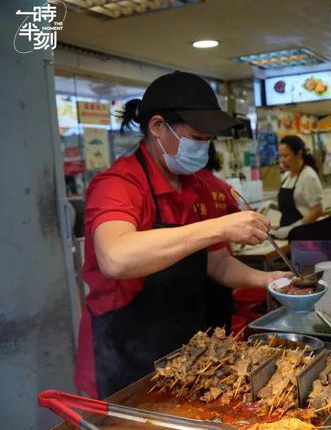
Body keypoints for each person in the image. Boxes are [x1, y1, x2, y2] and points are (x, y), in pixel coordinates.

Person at [74, 71, 289, 399]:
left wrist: (271, 281)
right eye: (197, 137)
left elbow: (217, 265)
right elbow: (115, 258)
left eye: (208, 139)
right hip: (122, 356)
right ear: (157, 126)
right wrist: (218, 227)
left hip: (183, 350)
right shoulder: (119, 184)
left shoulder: (197, 185)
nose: (204, 147)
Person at [196, 142, 242, 331]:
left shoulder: (197, 186)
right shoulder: (222, 187)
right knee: (221, 329)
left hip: (209, 266)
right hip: (221, 262)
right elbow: (239, 217)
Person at [272, 135, 323, 239]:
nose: (282, 160)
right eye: (280, 156)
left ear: (299, 153)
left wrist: (293, 227)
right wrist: (272, 206)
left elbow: (317, 210)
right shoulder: (287, 176)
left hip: (305, 236)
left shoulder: (308, 176)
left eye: (285, 156)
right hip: (288, 235)